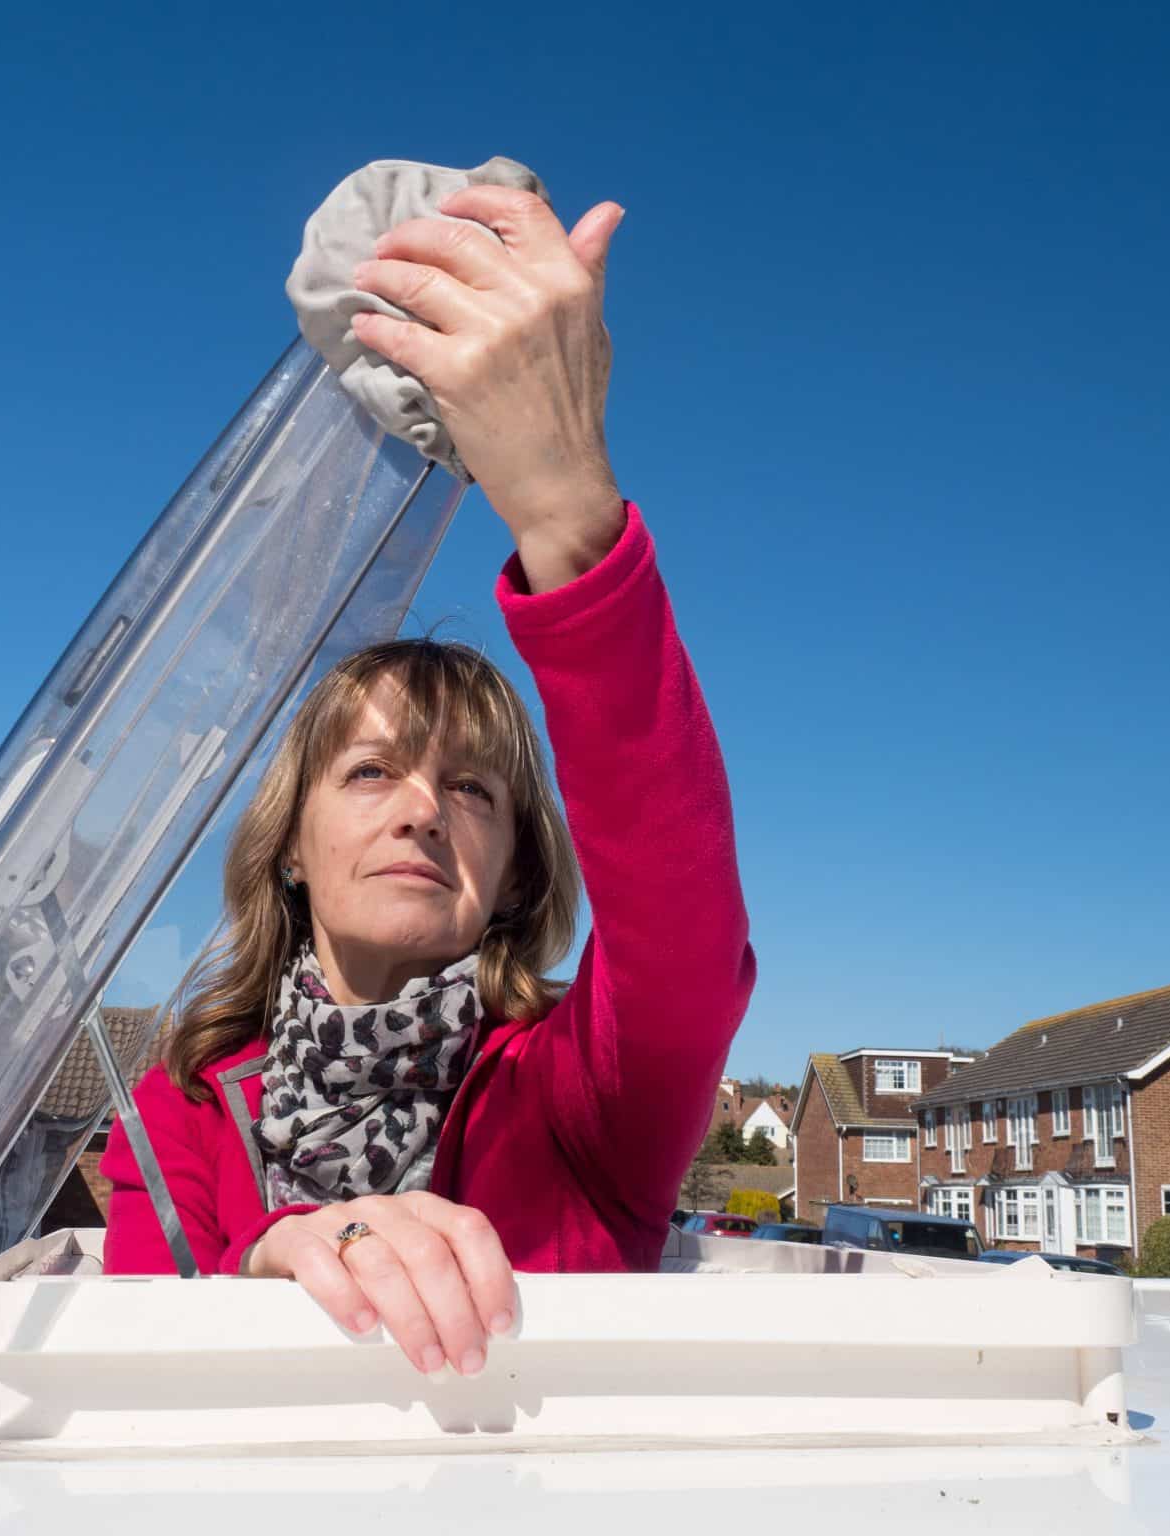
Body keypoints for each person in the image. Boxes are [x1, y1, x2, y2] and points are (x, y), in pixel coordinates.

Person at [102, 185, 754, 1381]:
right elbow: (132, 1356)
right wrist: (273, 1254)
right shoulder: (178, 1106)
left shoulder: (584, 1089)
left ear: (512, 874)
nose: (419, 807)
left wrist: (564, 509)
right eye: (369, 770)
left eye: (471, 790)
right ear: (289, 842)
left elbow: (682, 926)